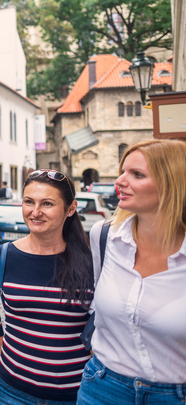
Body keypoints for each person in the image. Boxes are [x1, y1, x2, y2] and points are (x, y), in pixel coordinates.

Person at [76, 140, 186, 405]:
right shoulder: (104, 236)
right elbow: (95, 305)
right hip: (102, 387)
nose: (120, 181)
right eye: (123, 171)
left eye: (137, 175)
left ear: (172, 184)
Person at [0, 169, 93, 404]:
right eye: (29, 201)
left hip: (76, 394)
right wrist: (3, 352)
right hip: (14, 390)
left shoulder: (92, 262)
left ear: (70, 208)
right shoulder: (2, 257)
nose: (35, 212)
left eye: (47, 203)